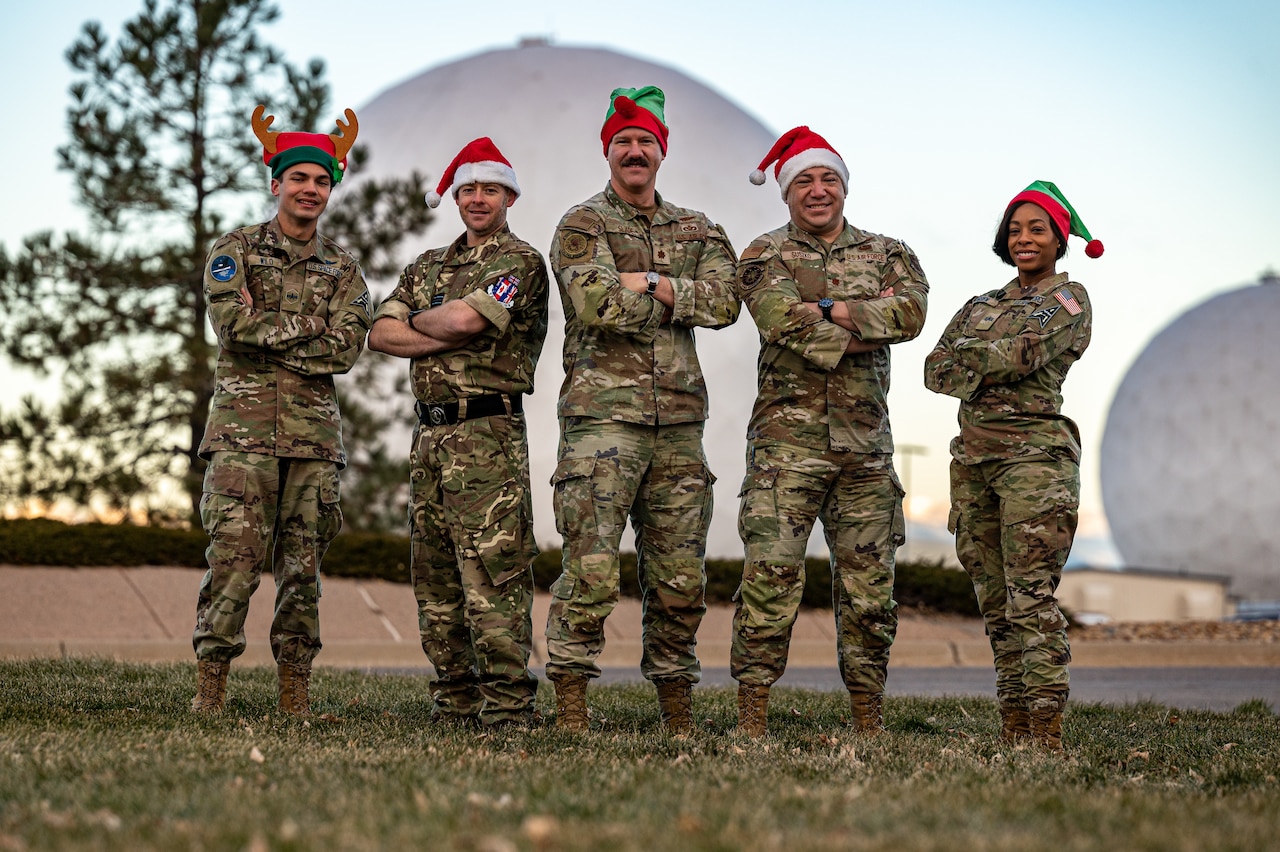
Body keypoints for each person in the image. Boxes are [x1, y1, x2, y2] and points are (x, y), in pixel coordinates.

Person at [544, 85, 740, 732]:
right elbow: (595, 304)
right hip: (602, 424)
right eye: (623, 141)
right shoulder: (582, 225)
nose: (634, 150)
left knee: (681, 578)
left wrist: (650, 283)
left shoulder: (699, 228)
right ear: (608, 152)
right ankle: (572, 703)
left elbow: (726, 303)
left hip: (680, 427)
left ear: (662, 152)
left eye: (645, 142)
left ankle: (677, 708)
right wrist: (679, 295)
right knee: (591, 570)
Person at [731, 127, 929, 737]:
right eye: (804, 182)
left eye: (829, 180)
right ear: (786, 191)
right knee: (770, 581)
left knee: (871, 592)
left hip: (866, 451)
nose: (818, 191)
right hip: (785, 451)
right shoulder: (763, 255)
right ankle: (752, 714)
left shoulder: (889, 251)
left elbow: (913, 313)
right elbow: (778, 319)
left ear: (843, 186)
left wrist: (820, 309)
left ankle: (868, 716)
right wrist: (865, 318)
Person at [192, 105, 371, 715]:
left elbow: (347, 348)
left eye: (321, 180)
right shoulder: (234, 249)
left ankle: (294, 696)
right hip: (242, 438)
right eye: (299, 178)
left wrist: (269, 327)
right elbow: (230, 323)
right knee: (233, 566)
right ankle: (210, 691)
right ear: (276, 183)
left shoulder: (343, 269)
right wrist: (310, 328)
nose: (310, 189)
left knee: (302, 575)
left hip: (313, 444)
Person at [368, 138, 549, 729]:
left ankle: (506, 707)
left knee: (492, 573)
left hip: (488, 435)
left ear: (510, 195)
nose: (477, 199)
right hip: (430, 438)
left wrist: (435, 325)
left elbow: (469, 318)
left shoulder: (518, 262)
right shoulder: (427, 266)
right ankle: (455, 703)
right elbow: (380, 333)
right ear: (453, 194)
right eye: (468, 188)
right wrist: (442, 330)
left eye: (489, 189)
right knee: (436, 575)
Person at [924, 180, 1101, 751]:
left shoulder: (1069, 301)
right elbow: (934, 370)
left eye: (1037, 229)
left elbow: (1026, 355)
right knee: (995, 601)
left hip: (1035, 462)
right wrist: (996, 358)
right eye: (1015, 229)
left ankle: (1045, 729)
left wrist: (978, 359)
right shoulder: (982, 305)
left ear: (1060, 238)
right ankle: (1014, 724)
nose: (1023, 238)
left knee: (1030, 597)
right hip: (974, 462)